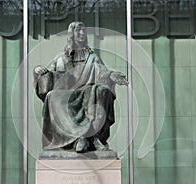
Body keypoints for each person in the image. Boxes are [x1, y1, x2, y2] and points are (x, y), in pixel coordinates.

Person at [34, 21, 128, 153]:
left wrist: (112, 75)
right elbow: (50, 77)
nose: (82, 33)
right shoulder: (61, 57)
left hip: (87, 91)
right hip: (66, 93)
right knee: (52, 96)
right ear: (71, 34)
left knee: (102, 91)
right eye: (78, 30)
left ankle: (93, 138)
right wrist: (38, 71)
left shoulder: (92, 57)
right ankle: (78, 138)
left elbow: (102, 73)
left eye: (84, 31)